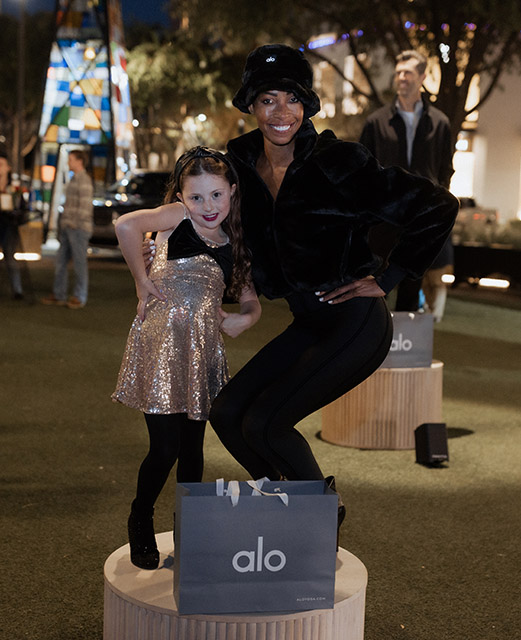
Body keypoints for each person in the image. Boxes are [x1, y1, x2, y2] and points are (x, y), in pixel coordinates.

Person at [113, 147, 261, 570]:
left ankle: (189, 530)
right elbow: (125, 225)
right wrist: (141, 281)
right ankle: (140, 516)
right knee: (165, 447)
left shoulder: (235, 245)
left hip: (201, 352)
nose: (207, 206)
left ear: (232, 191)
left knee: (193, 450)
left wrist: (246, 319)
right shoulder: (176, 219)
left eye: (216, 195)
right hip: (160, 347)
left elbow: (251, 300)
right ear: (180, 197)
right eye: (196, 197)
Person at [360, 50, 454, 319]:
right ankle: (369, 335)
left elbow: (445, 168)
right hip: (383, 217)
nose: (401, 77)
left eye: (408, 73)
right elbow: (363, 169)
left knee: (411, 288)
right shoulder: (376, 121)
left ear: (422, 77)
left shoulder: (440, 123)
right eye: (399, 72)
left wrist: (436, 203)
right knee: (374, 282)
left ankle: (404, 342)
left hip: (420, 219)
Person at [41, 149, 93, 309]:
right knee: (61, 261)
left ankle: (79, 296)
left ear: (79, 161)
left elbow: (85, 206)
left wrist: (74, 223)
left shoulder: (83, 179)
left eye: (71, 159)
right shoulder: (74, 178)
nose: (68, 163)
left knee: (79, 264)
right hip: (69, 227)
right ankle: (59, 294)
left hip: (78, 228)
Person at [0, 153, 24, 300]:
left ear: (8, 167)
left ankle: (17, 289)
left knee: (10, 257)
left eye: (1, 165)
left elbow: (21, 207)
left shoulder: (14, 188)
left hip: (8, 226)